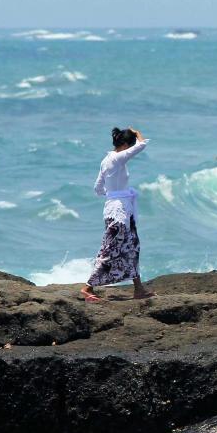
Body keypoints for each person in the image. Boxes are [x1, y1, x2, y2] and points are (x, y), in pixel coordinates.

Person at [81, 127, 153, 302]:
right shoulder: (117, 158)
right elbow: (142, 145)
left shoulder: (106, 160)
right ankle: (87, 287)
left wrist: (113, 193)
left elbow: (98, 189)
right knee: (111, 249)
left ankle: (139, 290)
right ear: (126, 145)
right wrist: (136, 133)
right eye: (130, 146)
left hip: (119, 210)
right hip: (118, 213)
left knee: (132, 246)